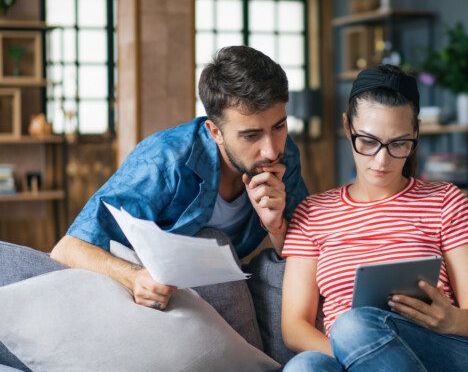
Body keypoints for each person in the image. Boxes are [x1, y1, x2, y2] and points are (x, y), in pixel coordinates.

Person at [278, 65, 468, 372]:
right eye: (368, 141)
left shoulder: (445, 201)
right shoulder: (313, 213)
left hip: (450, 359)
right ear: (347, 126)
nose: (381, 161)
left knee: (352, 325)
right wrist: (356, 359)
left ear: (415, 135)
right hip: (352, 361)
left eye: (399, 144)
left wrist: (451, 319)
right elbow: (294, 327)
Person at [51, 46, 308, 311]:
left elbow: (307, 250)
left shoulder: (284, 153)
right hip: (151, 288)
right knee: (210, 239)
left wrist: (276, 226)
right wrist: (134, 277)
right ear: (215, 132)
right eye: (251, 135)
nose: (271, 149)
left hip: (222, 280)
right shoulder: (164, 160)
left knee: (286, 271)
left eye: (279, 126)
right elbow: (68, 248)